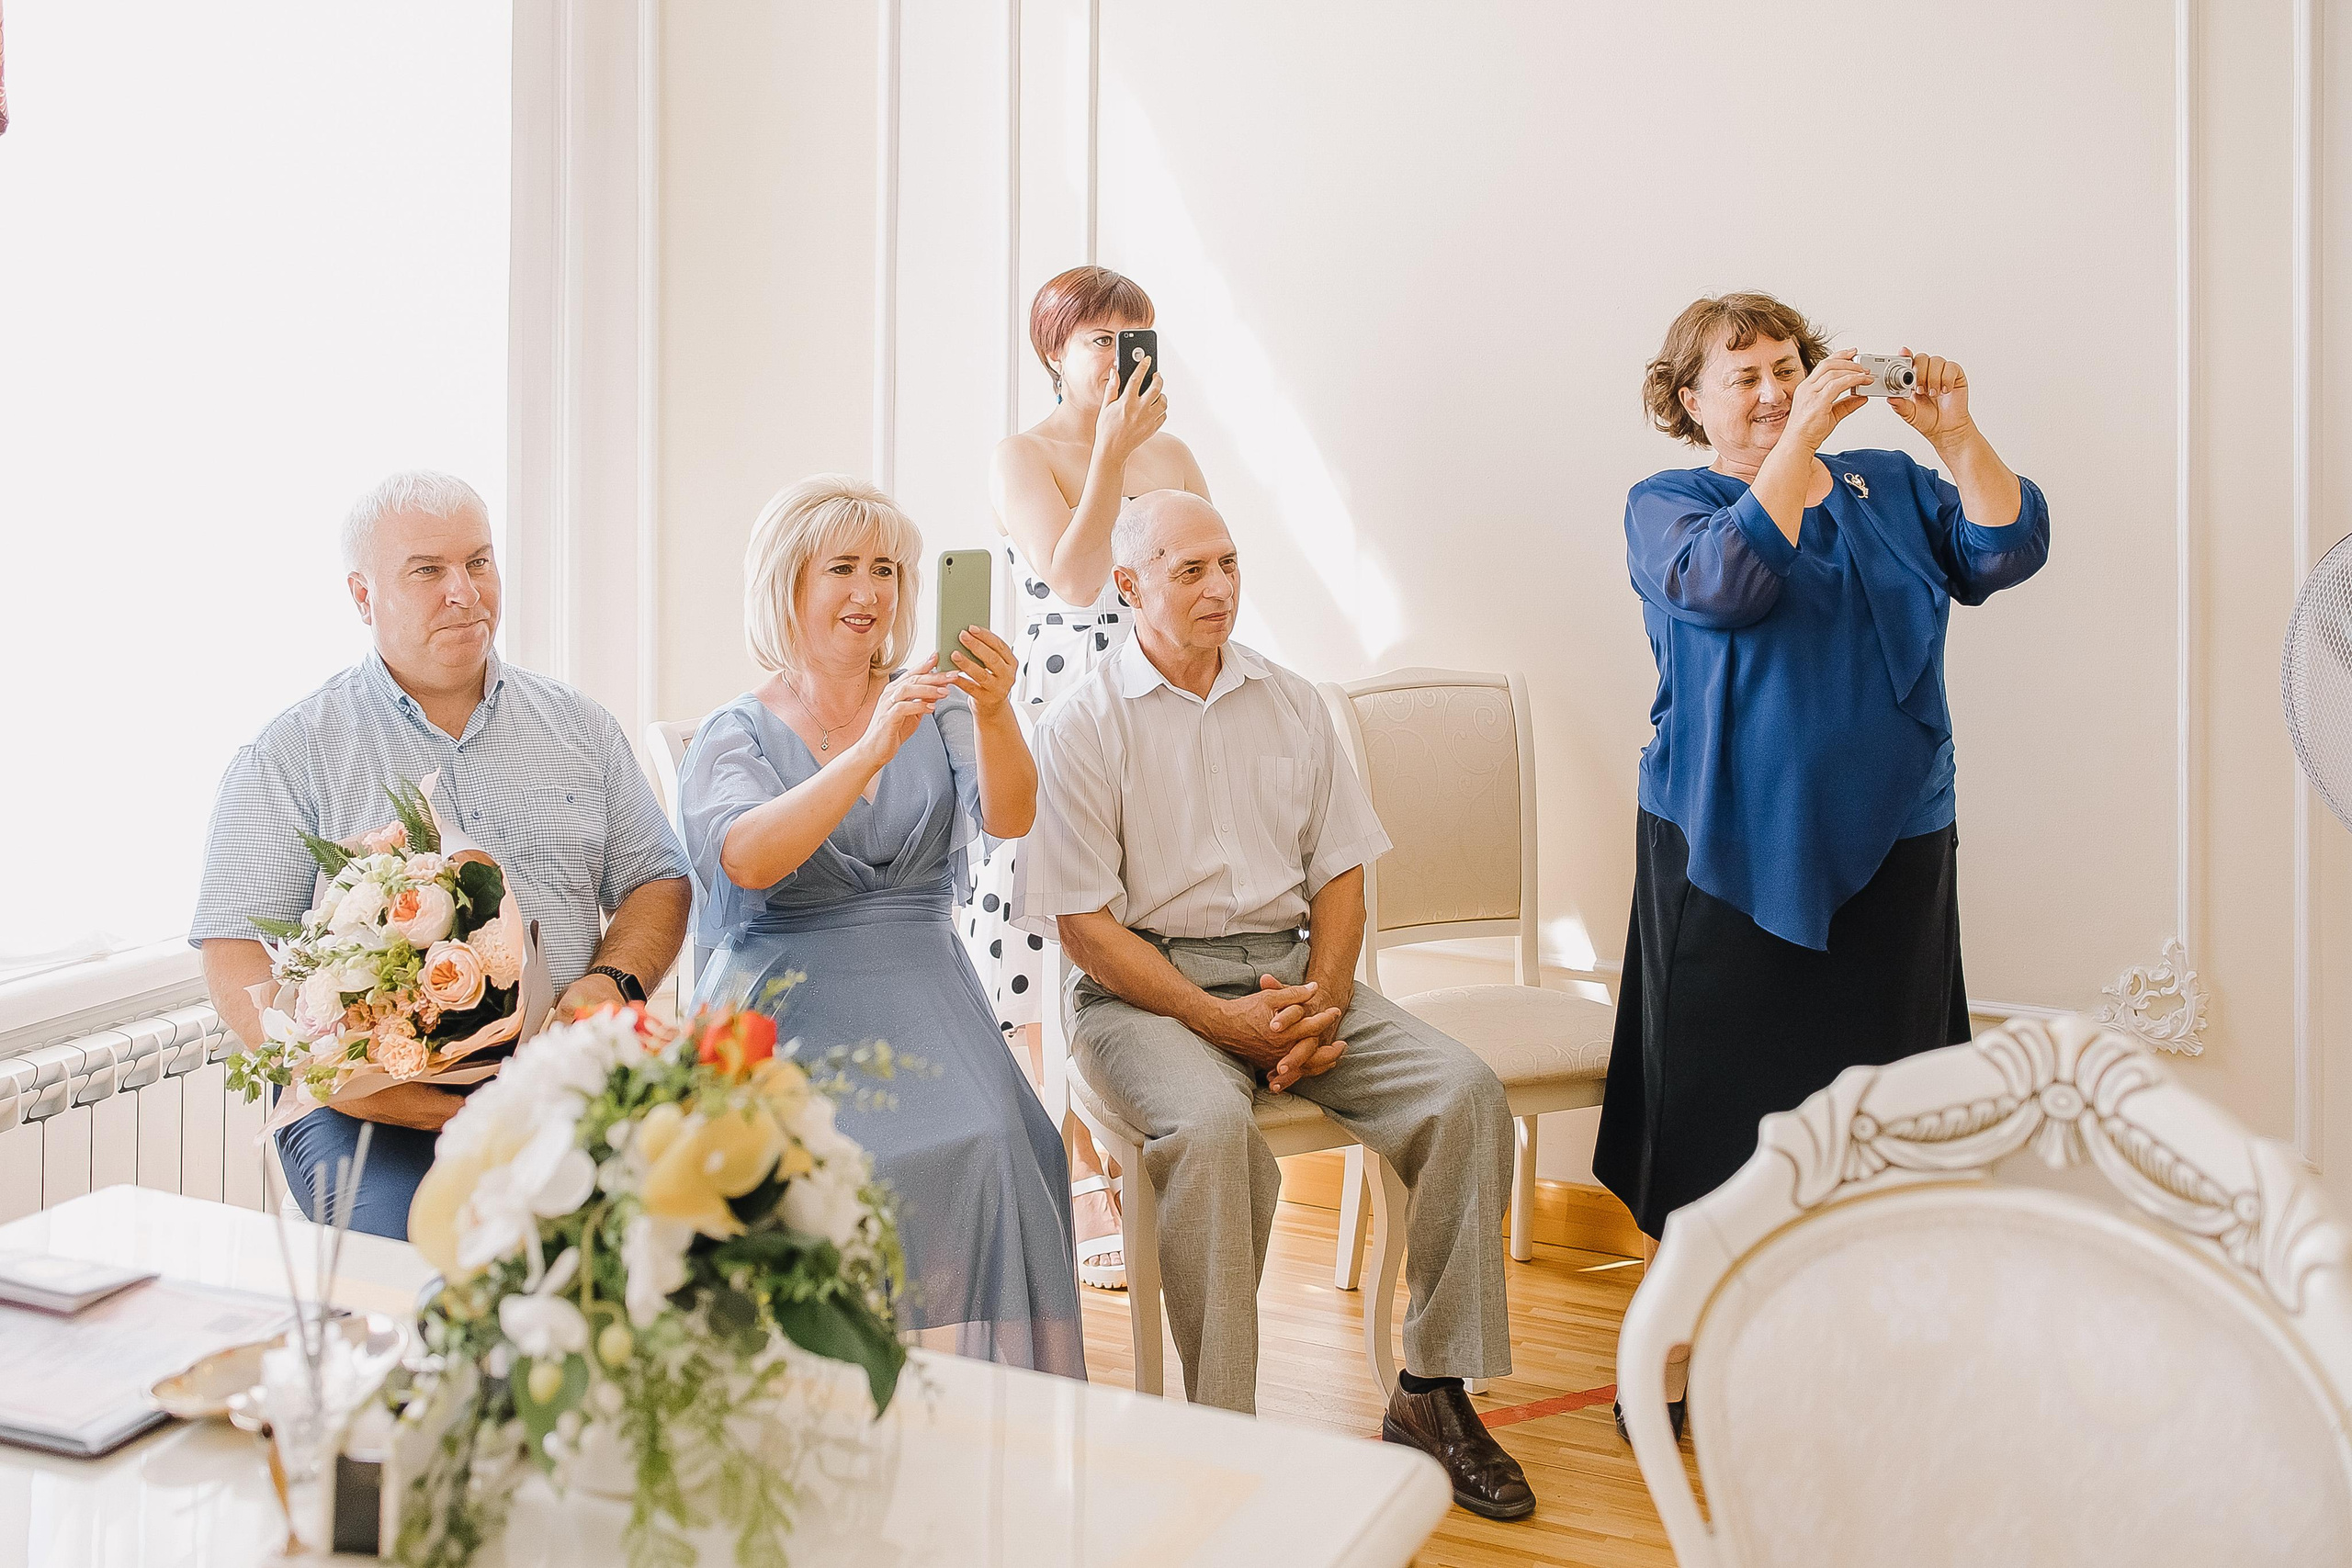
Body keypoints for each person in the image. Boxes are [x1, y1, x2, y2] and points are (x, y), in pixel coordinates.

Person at [1019, 489, 1535, 1521]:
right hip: (1141, 992)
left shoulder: (1293, 701)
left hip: (1290, 974)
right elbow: (1085, 929)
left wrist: (1323, 1002)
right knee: (1211, 1131)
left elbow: (1340, 870)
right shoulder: (1081, 725)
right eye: (1190, 570)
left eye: (1229, 563)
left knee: (1463, 1093)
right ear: (1127, 586)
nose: (1220, 587)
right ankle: (1218, 1439)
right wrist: (1223, 1027)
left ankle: (1432, 1393)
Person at [1592, 292, 2050, 1431]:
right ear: (1686, 401)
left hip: (1895, 839)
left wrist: (1951, 434)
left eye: (1785, 366)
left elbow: (2005, 549)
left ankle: (1864, 1346)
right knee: (1713, 1107)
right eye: (1739, 375)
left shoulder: (1886, 486)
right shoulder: (1671, 503)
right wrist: (1794, 445)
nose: (1769, 388)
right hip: (1728, 845)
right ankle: (1682, 1346)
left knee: (1882, 1105)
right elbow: (1728, 587)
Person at [193, 470, 693, 1239]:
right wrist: (341, 1081)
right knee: (435, 1267)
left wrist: (612, 981)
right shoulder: (291, 752)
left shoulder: (581, 729)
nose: (464, 591)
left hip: (563, 1080)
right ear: (362, 597)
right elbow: (233, 951)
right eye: (427, 570)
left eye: (480, 562)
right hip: (368, 1112)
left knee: (679, 1244)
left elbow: (656, 878)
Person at [678, 475, 1084, 1378]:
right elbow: (746, 858)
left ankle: (1000, 1417)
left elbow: (1012, 816)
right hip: (782, 999)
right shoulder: (731, 734)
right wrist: (868, 746)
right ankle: (808, 1391)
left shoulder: (937, 702)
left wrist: (992, 708)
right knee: (802, 1169)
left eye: (889, 570)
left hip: (923, 982)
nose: (870, 593)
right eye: (844, 569)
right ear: (788, 585)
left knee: (1009, 1149)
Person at [966, 265, 1211, 1292]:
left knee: (1138, 909)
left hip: (1157, 690)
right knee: (1038, 918)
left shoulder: (1179, 451)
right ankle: (1072, 1166)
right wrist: (1109, 452)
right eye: (1098, 340)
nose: (1119, 356)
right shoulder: (1024, 453)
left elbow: (1201, 564)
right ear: (1053, 353)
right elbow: (1070, 581)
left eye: (1135, 336)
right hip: (1062, 697)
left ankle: (1124, 1128)